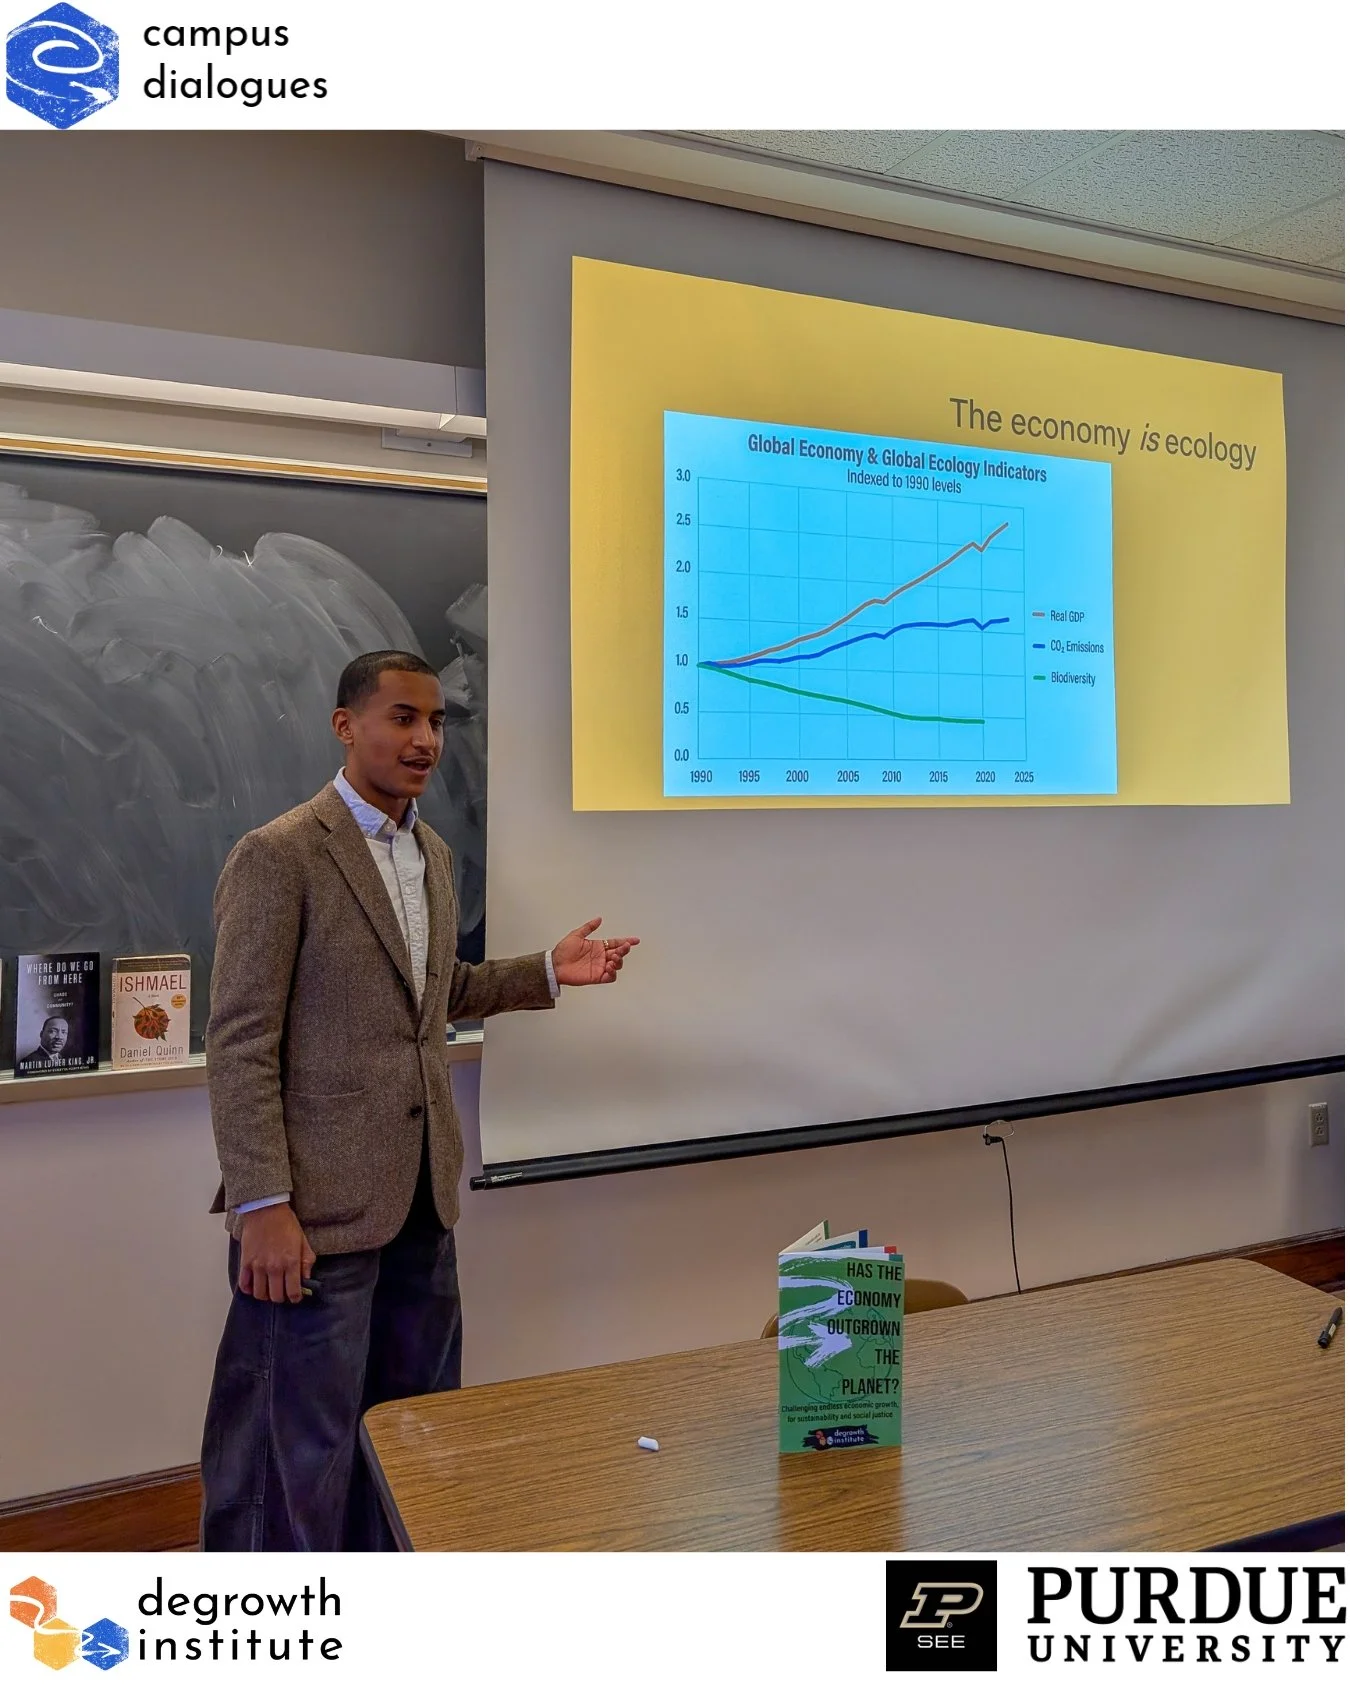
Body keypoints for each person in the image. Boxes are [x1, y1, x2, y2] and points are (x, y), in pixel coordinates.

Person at [199, 649, 638, 1550]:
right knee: (297, 1449)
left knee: (416, 1432)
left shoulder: (429, 852)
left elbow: (431, 997)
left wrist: (544, 974)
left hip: (422, 1204)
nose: (425, 740)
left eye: (436, 722)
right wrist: (263, 1204)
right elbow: (239, 1044)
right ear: (345, 725)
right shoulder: (278, 856)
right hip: (316, 1215)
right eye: (402, 718)